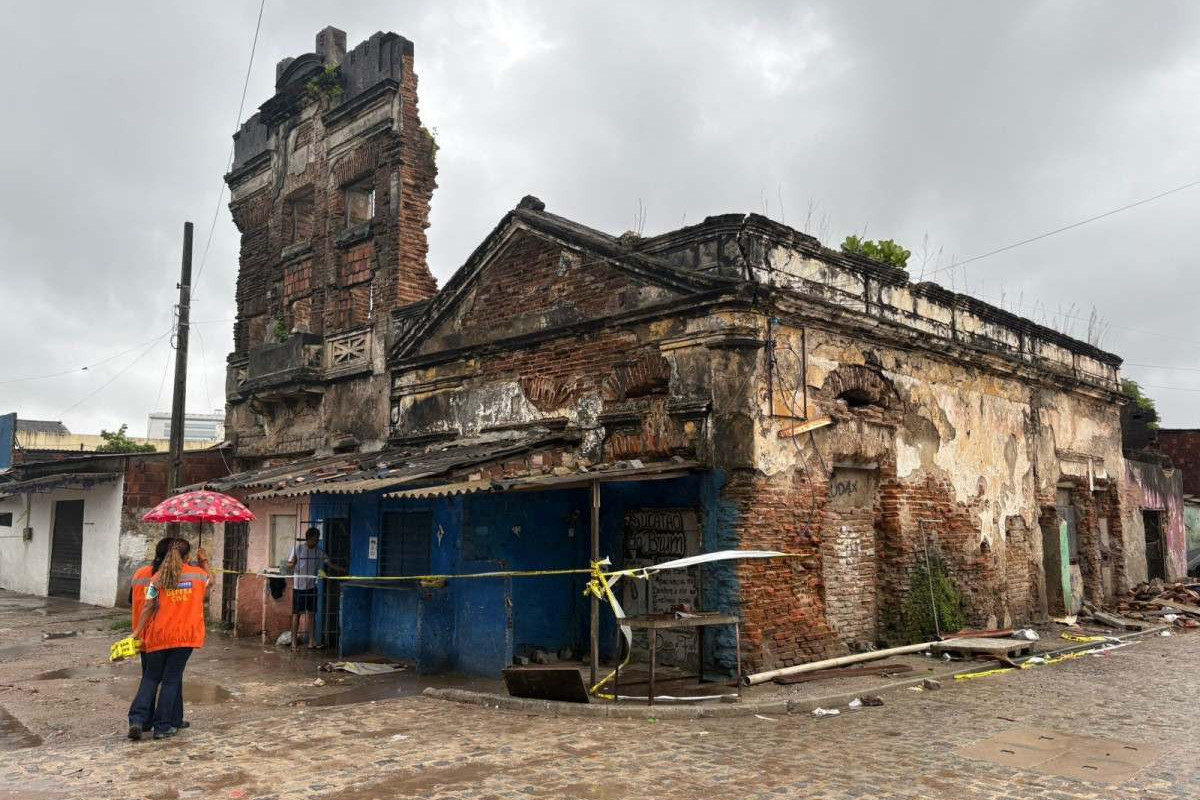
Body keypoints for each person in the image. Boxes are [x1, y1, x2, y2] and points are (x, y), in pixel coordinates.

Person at [127, 538, 210, 741]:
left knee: (151, 677)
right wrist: (204, 563)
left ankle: (137, 720)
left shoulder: (156, 578)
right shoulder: (198, 576)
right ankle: (162, 726)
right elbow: (209, 587)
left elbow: (148, 605)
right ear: (187, 556)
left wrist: (136, 631)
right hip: (184, 637)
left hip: (158, 635)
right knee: (171, 680)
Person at [287, 527, 329, 650]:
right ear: (309, 538)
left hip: (311, 587)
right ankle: (294, 643)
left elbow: (328, 562)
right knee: (297, 614)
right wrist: (293, 563)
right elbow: (288, 566)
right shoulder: (298, 549)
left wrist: (342, 570)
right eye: (315, 539)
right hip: (298, 587)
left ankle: (311, 641)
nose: (316, 542)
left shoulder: (318, 552)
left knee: (311, 614)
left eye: (317, 540)